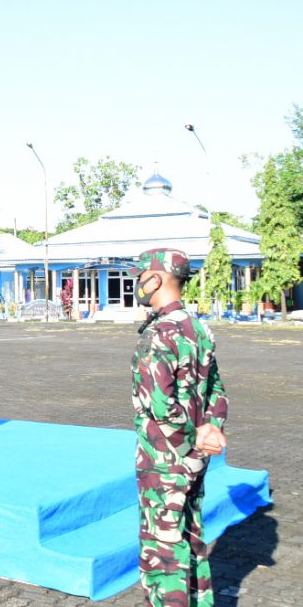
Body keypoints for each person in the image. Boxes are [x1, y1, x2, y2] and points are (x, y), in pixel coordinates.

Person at [129, 248, 228, 606]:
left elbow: (159, 405)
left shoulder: (159, 334)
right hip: (197, 456)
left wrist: (186, 448)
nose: (138, 284)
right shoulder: (198, 327)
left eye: (141, 277)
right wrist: (210, 430)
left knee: (163, 555)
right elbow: (216, 388)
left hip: (166, 460)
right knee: (192, 539)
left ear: (155, 279)